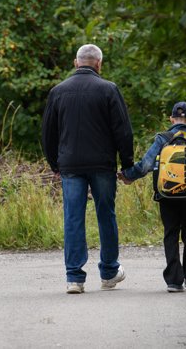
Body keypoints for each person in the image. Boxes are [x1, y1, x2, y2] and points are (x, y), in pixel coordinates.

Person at [42, 44, 135, 294]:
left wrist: (55, 164)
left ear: (76, 62)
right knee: (106, 215)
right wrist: (127, 166)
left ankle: (74, 278)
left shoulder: (58, 92)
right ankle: (108, 272)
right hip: (102, 165)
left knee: (73, 218)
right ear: (99, 64)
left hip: (70, 165)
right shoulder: (108, 90)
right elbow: (123, 131)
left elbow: (48, 133)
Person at [119, 102, 186, 292]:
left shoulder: (163, 139)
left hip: (166, 195)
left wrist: (129, 176)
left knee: (170, 233)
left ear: (171, 119)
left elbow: (146, 165)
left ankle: (173, 280)